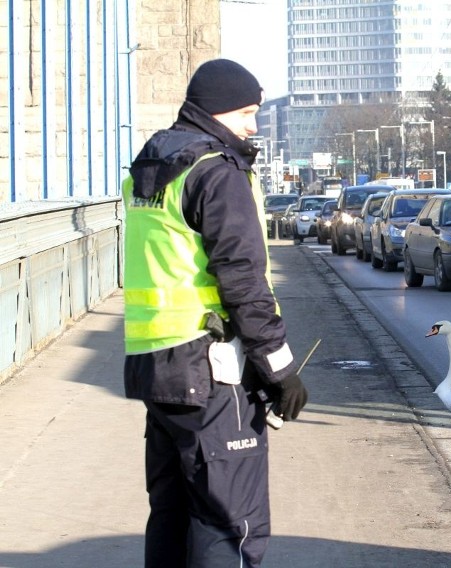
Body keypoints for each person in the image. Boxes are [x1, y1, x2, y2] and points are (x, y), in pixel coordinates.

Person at [122, 58, 308, 567]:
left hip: (155, 363)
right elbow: (243, 282)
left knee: (173, 516)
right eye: (247, 113)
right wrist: (280, 370)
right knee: (229, 522)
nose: (252, 125)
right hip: (209, 369)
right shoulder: (216, 171)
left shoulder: (152, 166)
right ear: (218, 110)